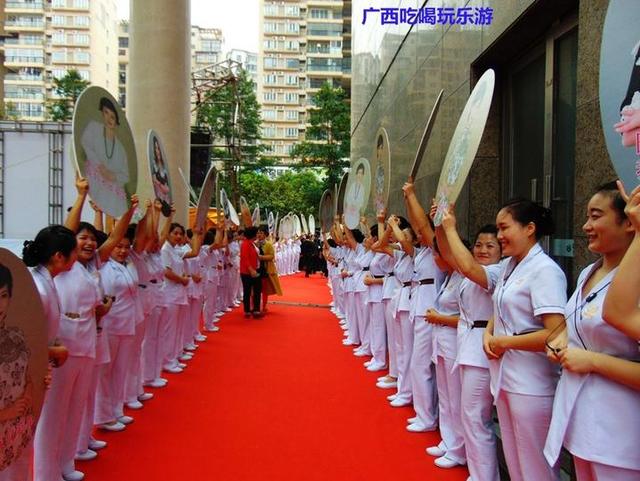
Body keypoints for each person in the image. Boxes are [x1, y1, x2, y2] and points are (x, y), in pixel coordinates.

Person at [544, 182, 640, 480]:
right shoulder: (588, 271)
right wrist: (559, 341)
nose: (586, 226)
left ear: (629, 223)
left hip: (619, 426)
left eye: (596, 216)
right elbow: (571, 325)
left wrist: (593, 361)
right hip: (579, 416)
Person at [483, 198, 566, 481]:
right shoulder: (509, 266)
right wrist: (488, 333)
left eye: (504, 228)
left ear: (529, 228)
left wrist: (504, 343)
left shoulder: (545, 270)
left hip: (533, 384)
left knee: (535, 467)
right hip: (508, 378)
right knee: (515, 460)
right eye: (498, 228)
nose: (500, 235)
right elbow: (499, 306)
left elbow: (556, 334)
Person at [23, 225, 77, 481]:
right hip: (24, 375)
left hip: (37, 369)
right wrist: (52, 350)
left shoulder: (46, 281)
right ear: (58, 256)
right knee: (25, 438)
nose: (76, 258)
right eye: (73, 252)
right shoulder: (39, 288)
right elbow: (20, 341)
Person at [0, 264, 35, 479]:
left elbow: (29, 374)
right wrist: (7, 413)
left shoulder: (16, 336)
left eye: (3, 295)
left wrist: (34, 388)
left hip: (19, 428)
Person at [80, 96, 130, 217]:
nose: (108, 118)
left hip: (111, 192)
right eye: (106, 113)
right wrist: (99, 165)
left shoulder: (121, 148)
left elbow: (125, 175)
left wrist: (112, 176)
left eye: (112, 116)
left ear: (117, 121)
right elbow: (85, 143)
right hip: (93, 183)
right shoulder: (93, 128)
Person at [257, 225, 282, 313]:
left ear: (265, 235)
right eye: (258, 233)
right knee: (255, 289)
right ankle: (255, 306)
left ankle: (263, 306)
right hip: (255, 269)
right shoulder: (255, 243)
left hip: (265, 269)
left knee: (264, 289)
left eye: (261, 233)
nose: (259, 234)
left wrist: (261, 257)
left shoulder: (268, 244)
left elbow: (272, 256)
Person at [239, 226, 262, 318]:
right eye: (257, 233)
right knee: (247, 291)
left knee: (257, 290)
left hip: (255, 269)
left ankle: (256, 310)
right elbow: (245, 258)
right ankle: (247, 311)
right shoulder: (245, 244)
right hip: (247, 272)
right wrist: (251, 269)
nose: (258, 235)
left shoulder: (252, 243)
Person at [150, 136, 171, 216]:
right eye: (155, 148)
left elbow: (167, 189)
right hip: (160, 196)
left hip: (165, 197)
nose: (157, 151)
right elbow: (154, 180)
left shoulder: (164, 167)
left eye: (158, 148)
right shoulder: (154, 166)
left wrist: (159, 183)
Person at [344, 163, 367, 228]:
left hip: (356, 211)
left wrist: (356, 206)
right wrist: (350, 205)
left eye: (361, 173)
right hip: (349, 209)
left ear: (363, 175)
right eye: (359, 173)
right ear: (356, 174)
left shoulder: (363, 188)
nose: (360, 175)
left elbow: (362, 201)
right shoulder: (352, 185)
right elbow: (348, 198)